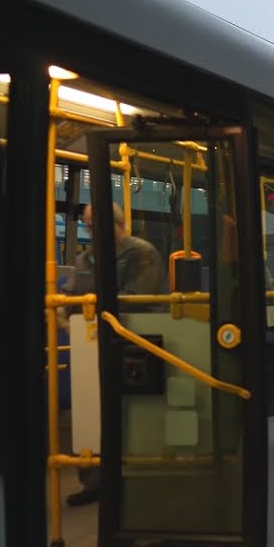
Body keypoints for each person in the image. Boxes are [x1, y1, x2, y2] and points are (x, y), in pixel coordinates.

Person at [63, 202, 164, 506]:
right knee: (89, 411)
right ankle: (94, 481)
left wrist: (90, 307)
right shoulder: (84, 259)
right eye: (88, 226)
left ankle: (137, 478)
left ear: (119, 225)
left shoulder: (141, 254)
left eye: (97, 225)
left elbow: (135, 298)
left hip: (133, 342)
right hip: (90, 344)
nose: (92, 231)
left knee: (132, 413)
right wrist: (63, 311)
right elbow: (70, 296)